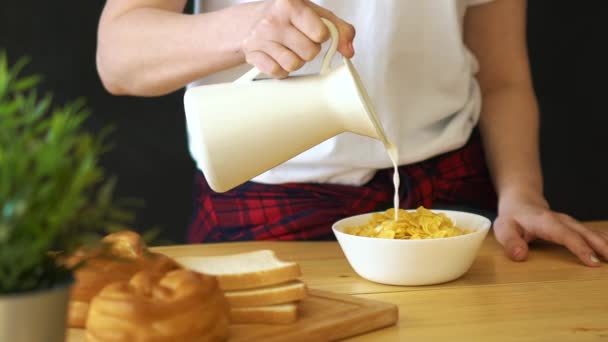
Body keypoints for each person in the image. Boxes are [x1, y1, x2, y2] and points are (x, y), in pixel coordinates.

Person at [96, 0, 607, 267]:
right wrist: (244, 30)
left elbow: (502, 79)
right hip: (264, 211)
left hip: (447, 202)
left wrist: (522, 195)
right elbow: (117, 58)